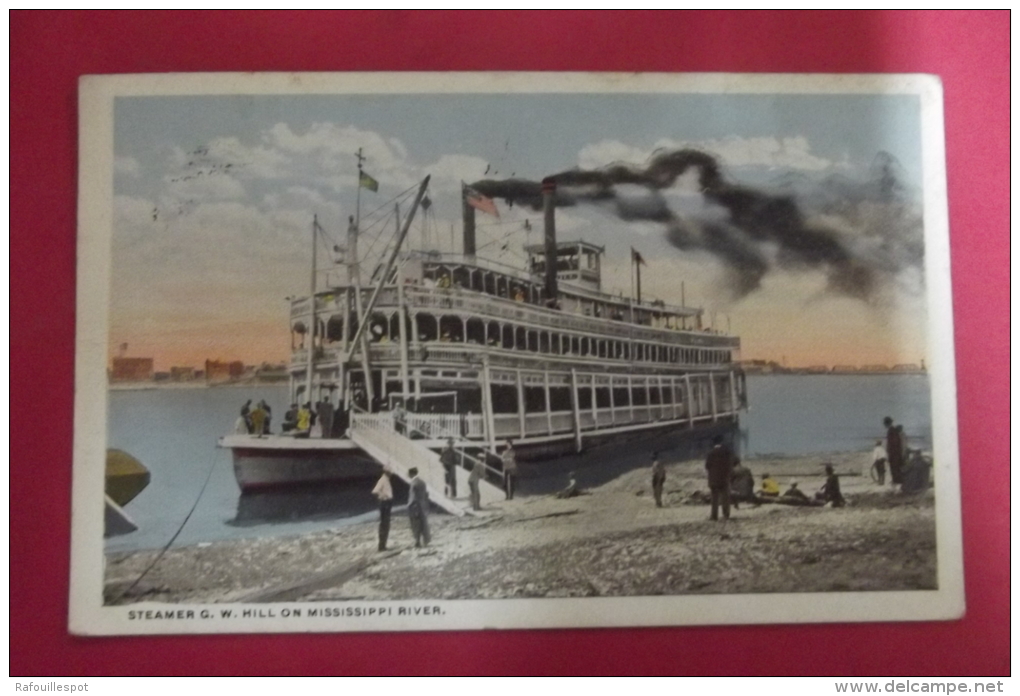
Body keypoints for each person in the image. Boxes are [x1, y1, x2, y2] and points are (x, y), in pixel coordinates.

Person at [704, 435, 734, 521]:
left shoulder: (710, 453)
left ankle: (714, 516)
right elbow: (730, 464)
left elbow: (707, 466)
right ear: (721, 442)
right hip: (724, 478)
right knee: (725, 497)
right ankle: (726, 515)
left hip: (713, 479)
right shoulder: (726, 452)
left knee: (714, 499)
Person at [371, 467, 394, 551]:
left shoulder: (385, 479)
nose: (391, 474)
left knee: (385, 524)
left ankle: (383, 545)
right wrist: (383, 496)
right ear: (387, 472)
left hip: (386, 503)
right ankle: (381, 546)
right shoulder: (383, 480)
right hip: (385, 503)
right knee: (384, 524)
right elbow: (375, 491)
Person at [407, 467, 431, 548]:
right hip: (422, 505)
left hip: (415, 506)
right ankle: (426, 541)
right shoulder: (422, 482)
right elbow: (425, 494)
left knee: (415, 524)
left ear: (411, 474)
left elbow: (412, 497)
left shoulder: (413, 483)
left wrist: (409, 505)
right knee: (423, 524)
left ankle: (417, 541)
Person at [885, 417, 904, 485]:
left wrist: (891, 453)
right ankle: (897, 481)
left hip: (894, 453)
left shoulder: (891, 430)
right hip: (896, 453)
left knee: (894, 467)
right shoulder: (893, 430)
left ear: (887, 423)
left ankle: (897, 481)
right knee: (896, 467)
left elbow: (893, 443)